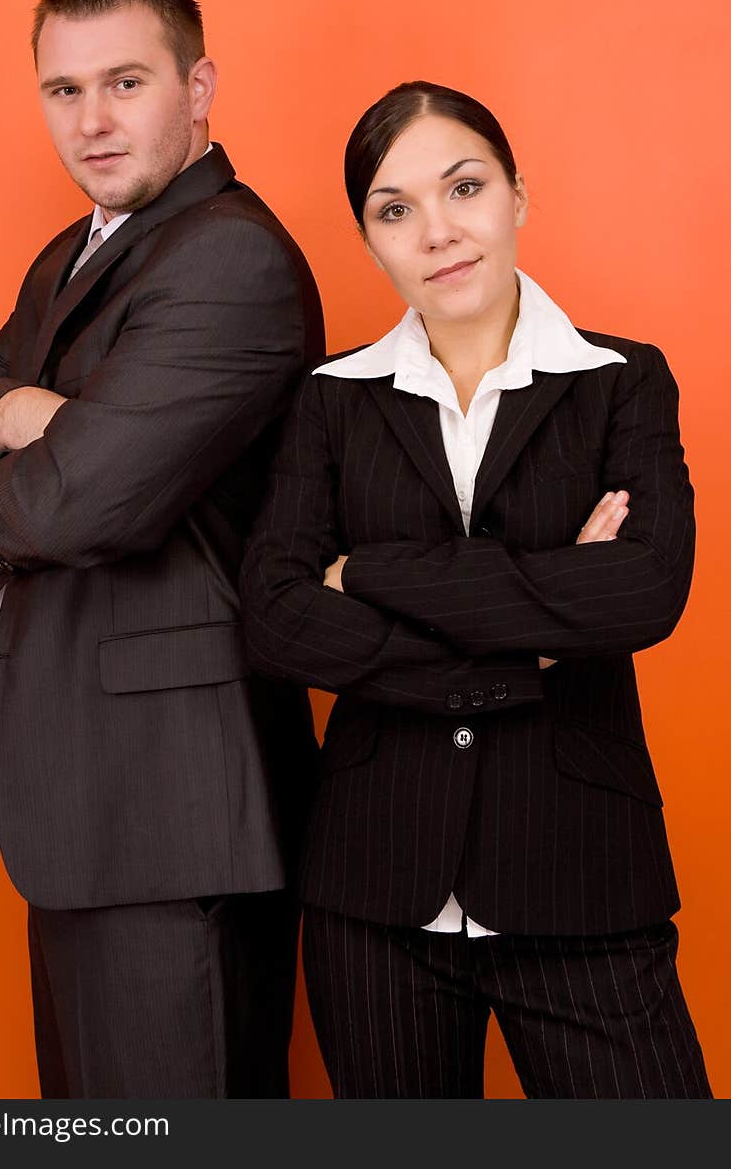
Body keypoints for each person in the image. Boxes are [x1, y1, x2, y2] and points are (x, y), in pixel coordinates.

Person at [240, 81, 711, 1099]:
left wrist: (368, 570)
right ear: (367, 239)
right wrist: (530, 635)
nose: (438, 233)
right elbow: (276, 618)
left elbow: (641, 590)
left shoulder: (621, 380)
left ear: (517, 196)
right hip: (375, 889)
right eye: (394, 209)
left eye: (464, 188)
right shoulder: (329, 400)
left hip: (580, 871)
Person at [0, 0, 325, 1099]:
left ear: (198, 87)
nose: (92, 122)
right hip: (90, 792)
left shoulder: (229, 257)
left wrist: (6, 466)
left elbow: (75, 503)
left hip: (173, 803)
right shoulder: (78, 250)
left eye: (127, 82)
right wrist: (11, 410)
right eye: (64, 89)